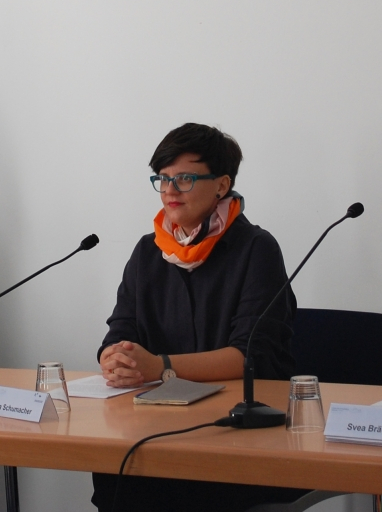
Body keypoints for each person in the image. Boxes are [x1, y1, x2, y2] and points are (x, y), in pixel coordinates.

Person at [93, 123, 302, 512]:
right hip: (154, 425)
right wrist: (114, 358)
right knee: (118, 471)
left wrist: (160, 367)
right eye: (163, 179)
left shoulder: (256, 249)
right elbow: (121, 330)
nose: (170, 191)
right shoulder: (148, 251)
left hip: (238, 432)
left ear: (222, 185)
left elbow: (249, 357)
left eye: (185, 179)